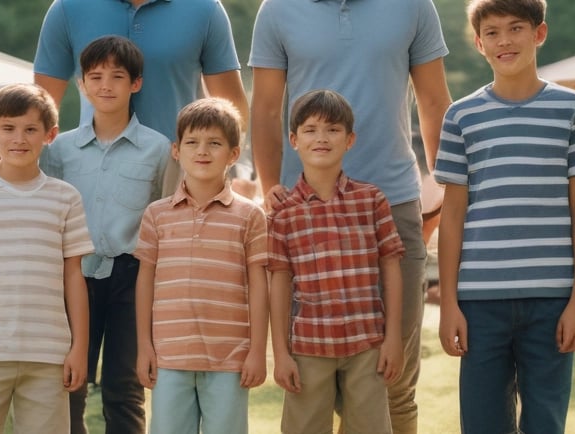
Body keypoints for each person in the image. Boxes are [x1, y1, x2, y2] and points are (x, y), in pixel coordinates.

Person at [0, 36, 170, 434]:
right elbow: (16, 166)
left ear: (135, 83)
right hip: (72, 277)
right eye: (95, 77)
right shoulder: (60, 147)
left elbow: (167, 215)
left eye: (117, 77)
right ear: (81, 84)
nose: (105, 85)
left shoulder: (158, 149)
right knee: (71, 387)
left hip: (130, 278)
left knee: (125, 389)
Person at [249, 1, 453, 431]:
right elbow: (265, 109)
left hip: (393, 204)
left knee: (392, 381)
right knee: (312, 379)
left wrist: (447, 192)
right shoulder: (277, 11)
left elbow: (435, 101)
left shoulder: (413, 6)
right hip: (303, 212)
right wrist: (271, 192)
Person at [434, 1, 575, 432]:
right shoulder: (461, 117)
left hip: (553, 301)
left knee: (546, 422)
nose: (504, 41)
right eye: (492, 32)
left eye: (515, 28)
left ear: (539, 33)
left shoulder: (573, 109)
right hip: (479, 303)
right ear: (478, 43)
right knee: (483, 423)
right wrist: (449, 302)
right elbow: (452, 216)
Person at [0, 83, 94, 433]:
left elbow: (74, 278)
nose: (19, 138)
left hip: (49, 355)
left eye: (30, 129)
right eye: (8, 128)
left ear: (50, 135)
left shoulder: (65, 198)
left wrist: (78, 349)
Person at [267, 90, 404, 434]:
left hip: (367, 344)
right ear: (294, 140)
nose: (322, 138)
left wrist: (393, 338)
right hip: (310, 346)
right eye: (311, 130)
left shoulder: (371, 201)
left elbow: (390, 266)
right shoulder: (284, 213)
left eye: (333, 129)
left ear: (350, 139)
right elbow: (280, 284)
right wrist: (280, 353)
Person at [134, 97, 268, 434]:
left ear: (233, 154)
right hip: (169, 357)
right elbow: (145, 284)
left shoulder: (251, 216)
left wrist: (257, 351)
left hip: (230, 359)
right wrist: (144, 347)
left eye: (214, 143)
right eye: (192, 142)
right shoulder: (156, 215)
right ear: (177, 150)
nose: (202, 151)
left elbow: (260, 288)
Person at [33, 0, 251, 197]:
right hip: (92, 179)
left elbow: (231, 109)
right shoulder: (68, 8)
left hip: (180, 183)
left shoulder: (205, 9)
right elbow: (39, 110)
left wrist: (232, 171)